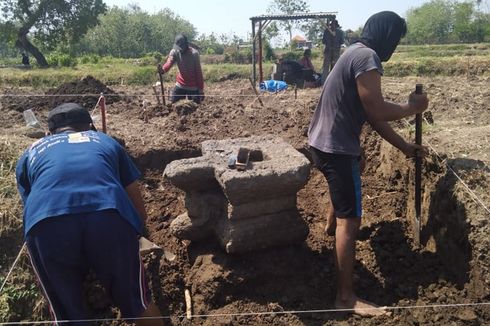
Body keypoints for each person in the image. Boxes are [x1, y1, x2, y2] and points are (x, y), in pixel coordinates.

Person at [308, 11, 429, 316]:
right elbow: (377, 108)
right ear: (388, 35)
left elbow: (371, 115)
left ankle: (328, 225)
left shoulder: (353, 52)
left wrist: (403, 146)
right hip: (336, 148)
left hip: (321, 142)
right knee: (352, 221)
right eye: (397, 40)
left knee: (347, 181)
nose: (396, 47)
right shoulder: (368, 57)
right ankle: (345, 298)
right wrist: (411, 107)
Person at [16, 103, 164, 326]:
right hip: (108, 214)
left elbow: (33, 209)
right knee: (138, 303)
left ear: (49, 133)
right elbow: (135, 201)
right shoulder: (105, 142)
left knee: (67, 315)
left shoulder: (31, 152)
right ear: (90, 127)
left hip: (45, 223)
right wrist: (132, 239)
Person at [158, 34, 204, 104]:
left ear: (186, 46)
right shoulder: (175, 51)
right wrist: (163, 69)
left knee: (194, 109)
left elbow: (198, 72)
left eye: (181, 48)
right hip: (180, 84)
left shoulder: (194, 54)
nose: (179, 50)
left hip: (193, 86)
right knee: (173, 106)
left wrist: (201, 89)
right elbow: (169, 62)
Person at [321, 19, 344, 83]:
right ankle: (334, 82)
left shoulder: (326, 31)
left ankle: (323, 82)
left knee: (325, 67)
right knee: (335, 67)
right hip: (336, 52)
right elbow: (342, 42)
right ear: (337, 25)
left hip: (328, 51)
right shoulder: (340, 32)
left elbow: (323, 41)